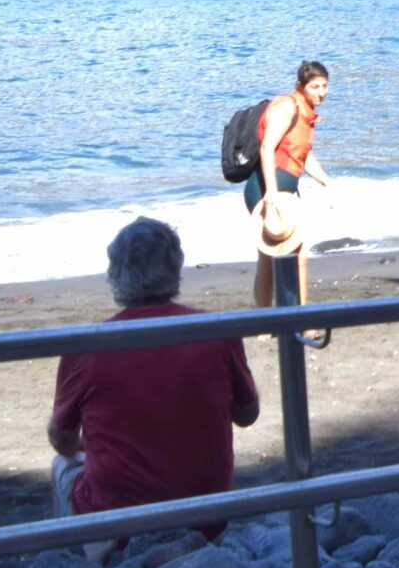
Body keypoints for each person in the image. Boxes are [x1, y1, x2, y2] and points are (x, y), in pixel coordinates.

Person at [49, 218, 260, 528]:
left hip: (119, 521)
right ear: (176, 267)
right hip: (208, 515)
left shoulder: (87, 346)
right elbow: (247, 414)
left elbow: (63, 440)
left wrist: (91, 447)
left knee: (62, 465)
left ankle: (81, 562)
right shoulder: (217, 330)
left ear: (114, 273)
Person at [248, 60, 333, 322]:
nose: (321, 92)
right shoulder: (287, 107)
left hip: (287, 191)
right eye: (315, 86)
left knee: (298, 256)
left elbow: (304, 157)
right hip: (265, 188)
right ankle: (268, 323)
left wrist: (328, 183)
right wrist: (271, 193)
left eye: (325, 86)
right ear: (301, 86)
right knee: (270, 260)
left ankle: (298, 317)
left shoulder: (306, 115)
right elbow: (266, 148)